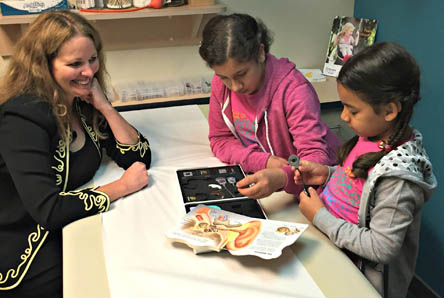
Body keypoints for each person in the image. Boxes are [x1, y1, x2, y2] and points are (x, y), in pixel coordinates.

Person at [0, 11, 151, 297]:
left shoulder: (79, 101)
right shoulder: (22, 117)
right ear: (44, 66)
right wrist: (122, 186)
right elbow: (49, 209)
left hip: (71, 221)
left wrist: (105, 106)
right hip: (22, 237)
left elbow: (137, 157)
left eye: (92, 59)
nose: (89, 72)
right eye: (75, 64)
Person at [293, 42, 437, 298]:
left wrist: (320, 217)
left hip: (361, 280)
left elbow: (381, 248)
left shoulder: (400, 178)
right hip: (332, 250)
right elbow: (358, 184)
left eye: (353, 109)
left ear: (390, 110)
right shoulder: (372, 135)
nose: (344, 117)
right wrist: (327, 174)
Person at [199, 13, 340, 198]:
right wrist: (262, 162)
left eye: (242, 74)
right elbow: (220, 139)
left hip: (313, 189)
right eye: (224, 77)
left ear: (260, 53)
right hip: (271, 184)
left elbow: (315, 159)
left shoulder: (294, 90)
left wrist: (282, 176)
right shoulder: (220, 84)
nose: (235, 86)